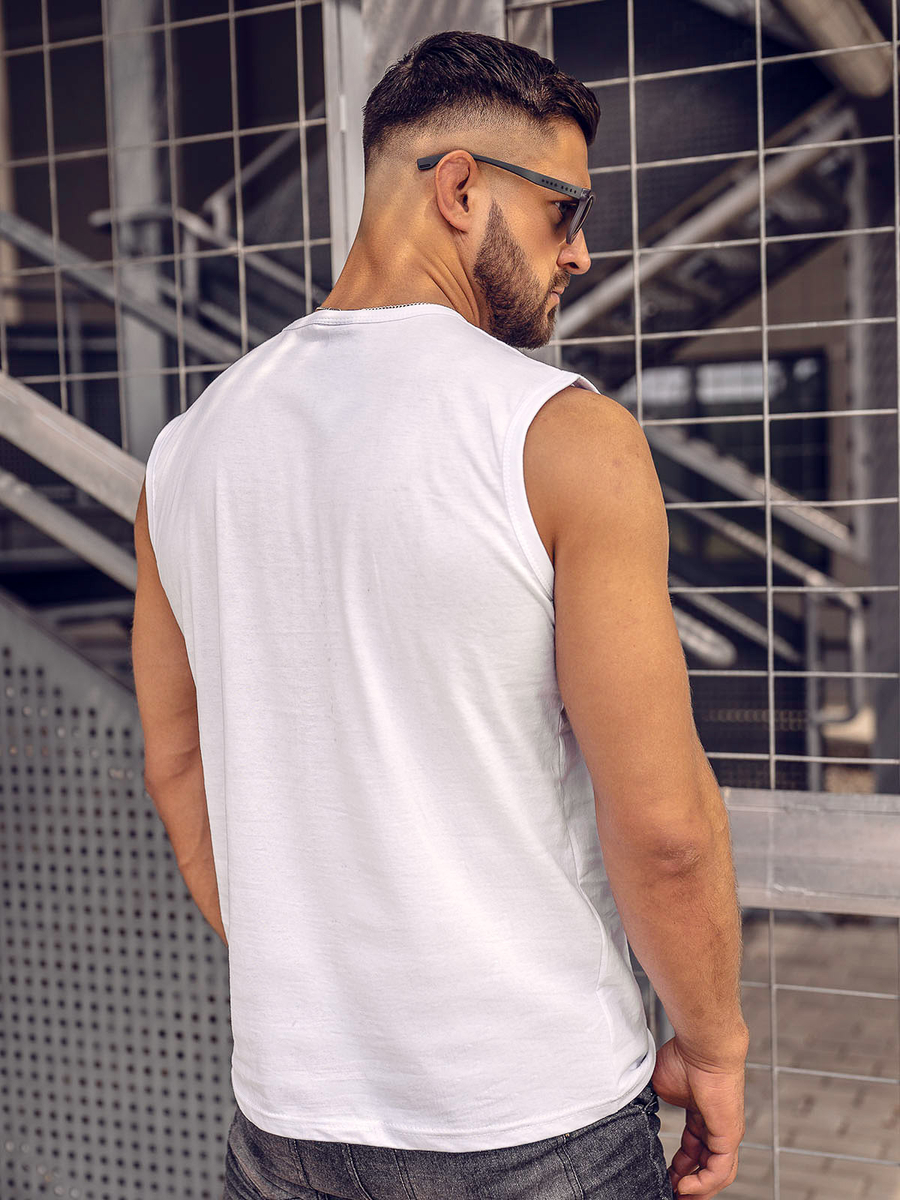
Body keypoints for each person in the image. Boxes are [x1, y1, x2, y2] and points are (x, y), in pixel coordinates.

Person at [131, 28, 748, 1200]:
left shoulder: (185, 453)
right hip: (535, 1118)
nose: (581, 251)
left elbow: (175, 766)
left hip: (286, 1123)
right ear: (461, 189)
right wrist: (713, 1044)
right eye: (564, 211)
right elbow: (664, 826)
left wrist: (319, 998)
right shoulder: (565, 437)